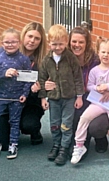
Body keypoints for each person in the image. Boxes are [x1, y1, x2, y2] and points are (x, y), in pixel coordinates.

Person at [45, 26, 109, 158]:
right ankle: (76, 142)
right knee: (72, 144)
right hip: (73, 101)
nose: (77, 45)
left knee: (96, 127)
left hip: (95, 101)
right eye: (74, 41)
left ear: (87, 44)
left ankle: (100, 138)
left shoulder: (96, 60)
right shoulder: (62, 58)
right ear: (69, 42)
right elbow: (48, 75)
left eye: (81, 42)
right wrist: (47, 83)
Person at [0, 22, 47, 150]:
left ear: (41, 41)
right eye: (30, 36)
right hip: (7, 99)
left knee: (28, 124)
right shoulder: (5, 51)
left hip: (29, 102)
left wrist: (38, 89)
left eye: (37, 38)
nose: (32, 41)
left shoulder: (43, 60)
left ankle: (34, 131)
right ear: (23, 37)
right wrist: (3, 73)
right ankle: (11, 129)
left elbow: (48, 86)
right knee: (3, 144)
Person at [71, 37, 109, 168]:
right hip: (98, 103)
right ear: (98, 52)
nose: (105, 55)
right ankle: (79, 146)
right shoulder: (94, 70)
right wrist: (97, 88)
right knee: (84, 118)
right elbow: (89, 86)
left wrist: (108, 87)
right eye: (103, 52)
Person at [38, 24, 84, 165]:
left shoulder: (70, 58)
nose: (57, 47)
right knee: (54, 123)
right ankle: (56, 145)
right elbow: (42, 79)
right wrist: (43, 97)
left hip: (69, 98)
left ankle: (64, 148)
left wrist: (79, 96)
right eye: (54, 44)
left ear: (66, 42)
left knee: (66, 124)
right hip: (53, 98)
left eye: (61, 44)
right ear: (49, 42)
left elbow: (78, 78)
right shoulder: (46, 60)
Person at [0, 28, 32, 159]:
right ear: (1, 43)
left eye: (13, 42)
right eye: (7, 42)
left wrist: (25, 94)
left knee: (14, 121)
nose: (10, 44)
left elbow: (28, 80)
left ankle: (14, 144)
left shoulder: (24, 59)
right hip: (0, 97)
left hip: (16, 98)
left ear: (19, 43)